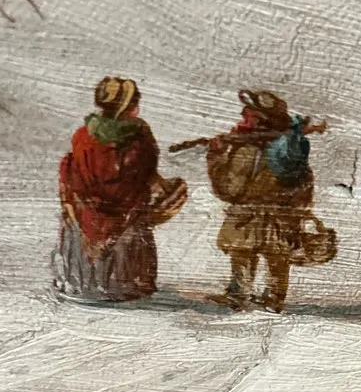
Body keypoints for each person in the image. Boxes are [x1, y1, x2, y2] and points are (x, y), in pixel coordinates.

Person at [55, 76, 187, 303]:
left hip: (86, 213)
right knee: (128, 238)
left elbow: (74, 171)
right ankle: (123, 285)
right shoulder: (138, 138)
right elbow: (143, 174)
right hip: (126, 213)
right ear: (129, 106)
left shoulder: (84, 134)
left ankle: (83, 282)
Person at [204, 89, 330, 312]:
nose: (242, 120)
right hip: (282, 216)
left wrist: (216, 156)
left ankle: (241, 294)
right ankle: (274, 298)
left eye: (248, 116)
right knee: (276, 255)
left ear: (261, 120)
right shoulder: (291, 149)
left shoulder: (247, 150)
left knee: (244, 252)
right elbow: (305, 185)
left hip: (248, 214)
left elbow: (228, 188)